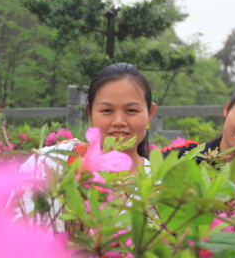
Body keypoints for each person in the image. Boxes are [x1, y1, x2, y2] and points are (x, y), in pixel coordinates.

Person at [17, 63, 157, 228]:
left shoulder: (159, 187)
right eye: (107, 111)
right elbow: (14, 231)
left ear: (150, 113)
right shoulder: (49, 162)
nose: (119, 121)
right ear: (89, 112)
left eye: (132, 110)